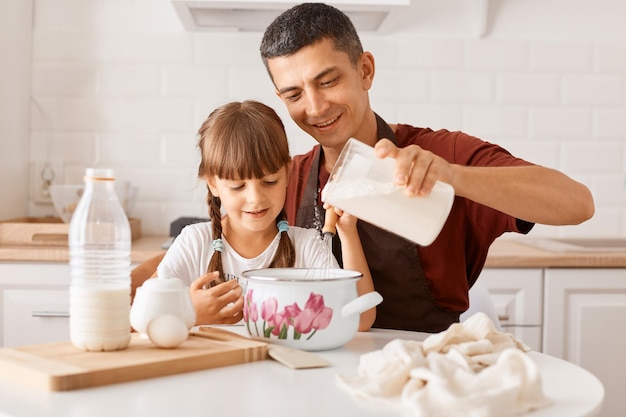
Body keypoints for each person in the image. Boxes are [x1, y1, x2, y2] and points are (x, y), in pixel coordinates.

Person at [259, 3, 595, 333]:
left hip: (421, 371)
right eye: (294, 95)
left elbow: (577, 204)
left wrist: (451, 175)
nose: (315, 107)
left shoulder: (442, 154)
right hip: (315, 371)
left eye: (328, 81)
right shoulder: (286, 179)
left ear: (365, 71)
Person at [149, 100, 376, 331]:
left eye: (269, 182)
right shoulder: (194, 243)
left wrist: (347, 232)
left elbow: (361, 319)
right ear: (213, 184)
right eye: (238, 186)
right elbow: (142, 316)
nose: (256, 198)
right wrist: (189, 312)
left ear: (288, 172)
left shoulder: (308, 246)